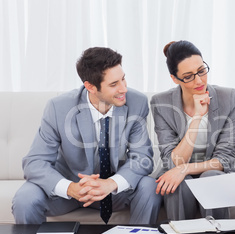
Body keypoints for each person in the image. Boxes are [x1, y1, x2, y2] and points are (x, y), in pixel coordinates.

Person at [12, 47, 161, 225]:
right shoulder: (58, 108)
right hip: (69, 191)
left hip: (115, 192)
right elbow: (35, 162)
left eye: (123, 78)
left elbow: (142, 157)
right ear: (90, 86)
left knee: (149, 187)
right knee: (25, 198)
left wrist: (110, 184)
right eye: (114, 84)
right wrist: (70, 188)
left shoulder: (137, 103)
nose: (124, 89)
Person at [150, 40, 235, 220]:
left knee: (211, 177)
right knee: (178, 184)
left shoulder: (229, 98)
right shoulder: (161, 103)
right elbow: (174, 161)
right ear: (174, 78)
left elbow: (225, 158)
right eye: (188, 76)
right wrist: (197, 119)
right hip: (179, 172)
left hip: (217, 171)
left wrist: (185, 169)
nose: (199, 80)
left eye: (201, 71)